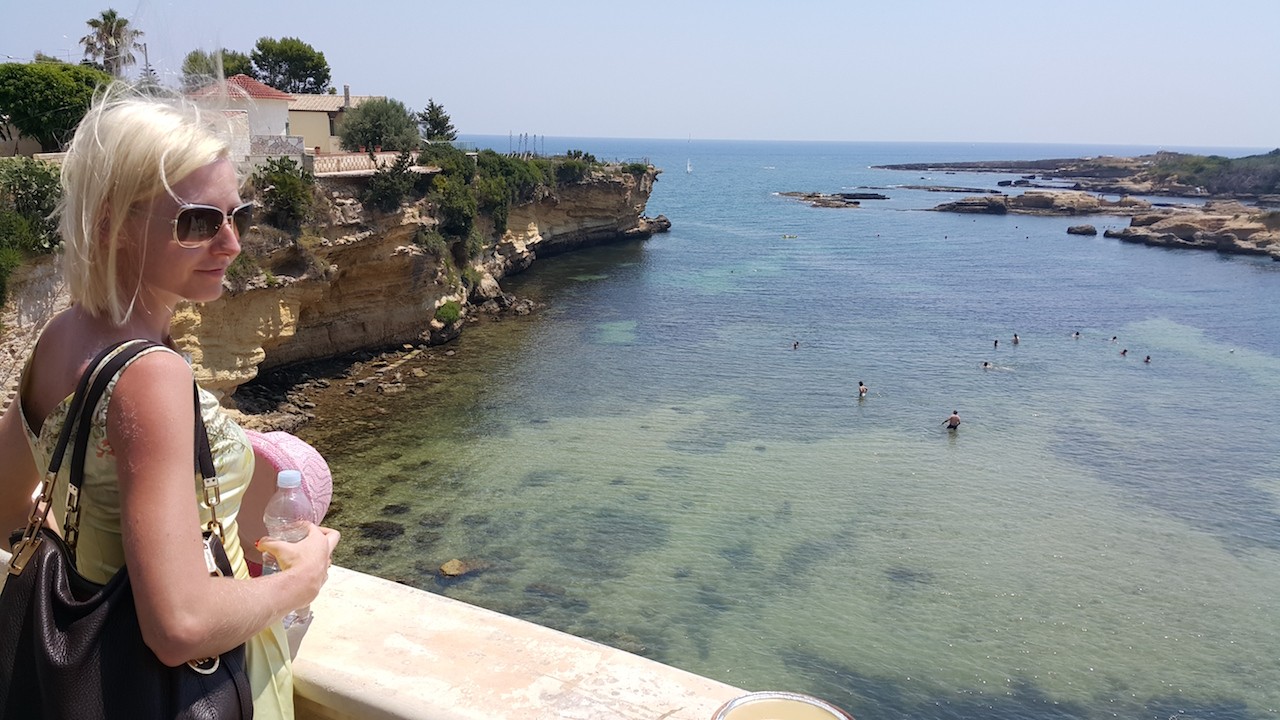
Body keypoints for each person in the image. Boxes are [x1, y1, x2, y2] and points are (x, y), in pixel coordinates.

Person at [0, 87, 339, 719]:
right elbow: (179, 625)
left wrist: (92, 568)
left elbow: (3, 503)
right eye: (199, 222)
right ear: (113, 224)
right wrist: (302, 579)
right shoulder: (152, 377)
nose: (231, 244)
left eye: (238, 215)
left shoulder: (60, 336)